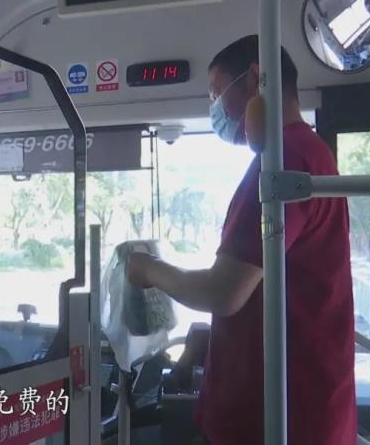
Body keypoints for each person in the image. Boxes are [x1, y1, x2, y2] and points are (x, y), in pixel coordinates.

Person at [127, 35, 356, 445]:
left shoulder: (282, 162)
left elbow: (223, 292)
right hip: (296, 407)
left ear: (254, 78)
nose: (215, 109)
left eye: (217, 94)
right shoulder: (310, 153)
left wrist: (148, 269)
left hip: (277, 418)